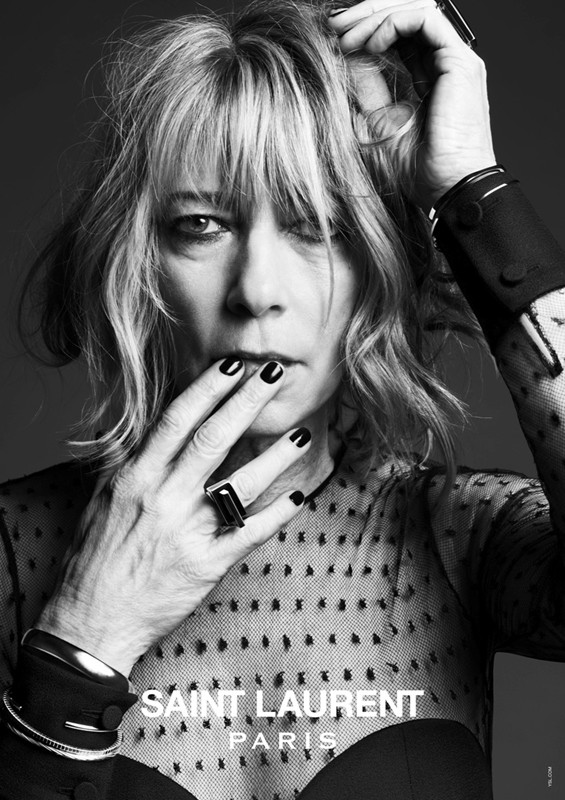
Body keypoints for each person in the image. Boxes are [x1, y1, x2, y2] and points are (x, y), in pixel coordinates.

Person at [0, 0, 564, 797]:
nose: (256, 289)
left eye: (318, 226)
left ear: (378, 267)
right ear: (137, 262)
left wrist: (475, 190)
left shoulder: (462, 537)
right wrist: (81, 644)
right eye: (201, 225)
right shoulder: (14, 552)